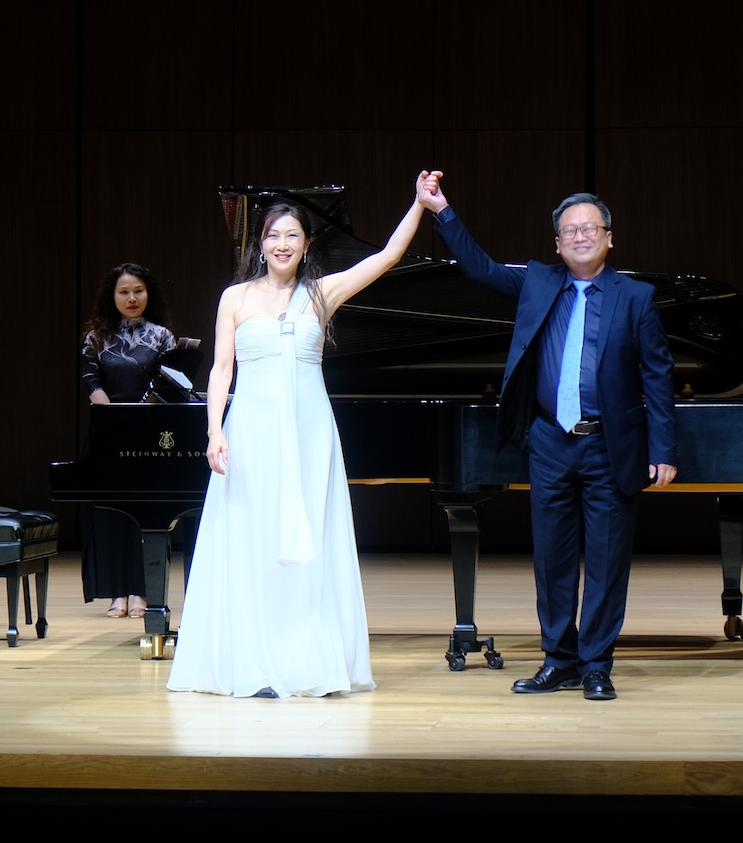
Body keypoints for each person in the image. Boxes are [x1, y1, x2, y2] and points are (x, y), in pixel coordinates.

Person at [415, 170, 675, 702]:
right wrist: (441, 211)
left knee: (606, 561)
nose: (580, 236)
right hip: (551, 442)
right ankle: (559, 661)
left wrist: (663, 449)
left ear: (609, 238)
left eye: (590, 228)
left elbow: (658, 378)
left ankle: (596, 665)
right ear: (557, 243)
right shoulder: (538, 282)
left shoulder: (636, 298)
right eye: (569, 230)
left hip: (611, 446)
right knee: (551, 559)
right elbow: (481, 268)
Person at [166, 189, 428, 698]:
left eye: (293, 235)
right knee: (254, 537)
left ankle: (306, 662)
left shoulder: (322, 293)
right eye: (273, 236)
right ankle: (253, 662)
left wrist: (419, 203)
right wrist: (215, 431)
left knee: (311, 538)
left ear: (307, 245)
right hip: (251, 432)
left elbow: (388, 256)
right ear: (260, 245)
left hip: (310, 433)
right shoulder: (235, 297)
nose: (282, 244)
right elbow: (221, 370)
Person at [78, 262, 187, 620]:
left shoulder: (163, 337)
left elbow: (168, 386)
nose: (131, 298)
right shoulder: (95, 338)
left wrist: (142, 419)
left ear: (148, 293)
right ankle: (117, 592)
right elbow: (93, 386)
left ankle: (142, 591)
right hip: (108, 432)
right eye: (124, 292)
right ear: (112, 296)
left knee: (147, 516)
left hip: (149, 435)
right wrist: (116, 421)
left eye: (138, 291)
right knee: (112, 515)